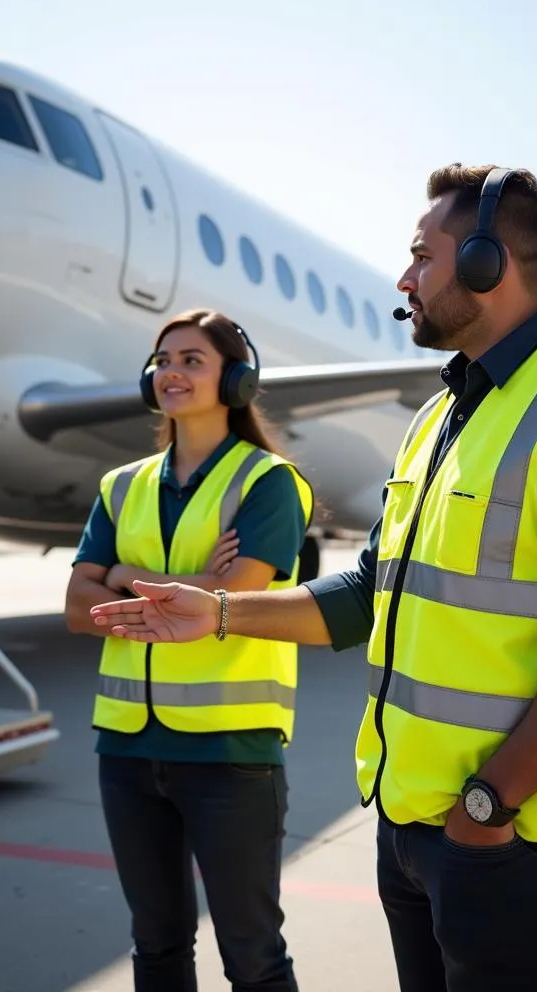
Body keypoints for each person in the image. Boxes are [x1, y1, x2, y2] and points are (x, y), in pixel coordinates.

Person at [88, 165, 537, 992]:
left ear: (489, 263)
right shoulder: (441, 417)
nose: (404, 278)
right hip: (421, 823)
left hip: (529, 835)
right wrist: (220, 612)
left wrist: (487, 808)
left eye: (422, 255)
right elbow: (375, 590)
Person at [64, 308, 314, 992]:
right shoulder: (121, 487)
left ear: (236, 379)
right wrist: (192, 584)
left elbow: (238, 596)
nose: (170, 372)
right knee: (157, 946)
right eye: (162, 360)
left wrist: (116, 577)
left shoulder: (268, 482)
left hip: (229, 753)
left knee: (253, 955)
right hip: (126, 751)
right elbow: (75, 608)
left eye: (192, 360)